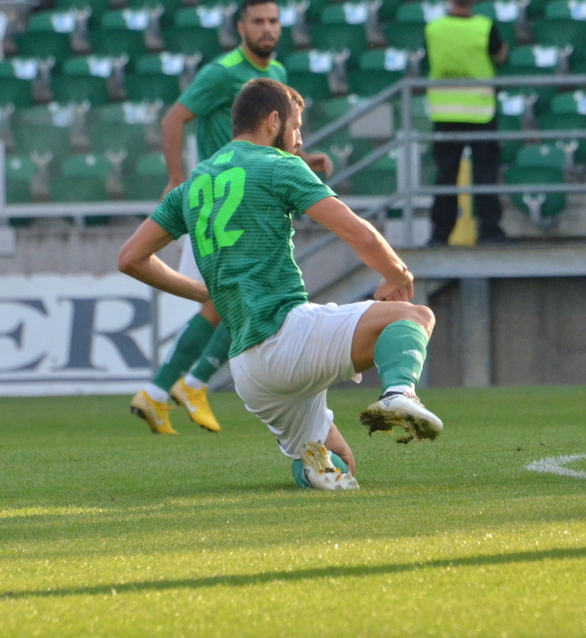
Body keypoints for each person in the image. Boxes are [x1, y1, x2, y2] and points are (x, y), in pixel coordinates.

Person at [118, 79, 444, 490]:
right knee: (414, 316)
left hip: (249, 371)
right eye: (297, 125)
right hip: (286, 333)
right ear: (274, 120)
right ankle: (398, 394)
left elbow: (130, 259)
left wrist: (204, 292)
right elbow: (358, 233)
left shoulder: (191, 186)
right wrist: (398, 274)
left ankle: (314, 469)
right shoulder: (276, 164)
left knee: (332, 459)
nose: (300, 138)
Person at [130, 0, 332, 436]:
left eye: (274, 20)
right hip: (221, 202)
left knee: (224, 303)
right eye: (258, 21)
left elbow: (275, 135)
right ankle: (180, 385)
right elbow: (172, 120)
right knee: (224, 301)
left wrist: (304, 158)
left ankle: (164, 390)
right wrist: (176, 180)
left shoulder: (275, 74)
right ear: (241, 27)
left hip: (252, 202)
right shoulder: (221, 74)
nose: (268, 29)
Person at [425, 0, 509, 246]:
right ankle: (489, 231)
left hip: (444, 112)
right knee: (485, 173)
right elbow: (500, 55)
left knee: (446, 175)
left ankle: (440, 234)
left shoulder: (433, 29)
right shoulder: (484, 28)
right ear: (474, 1)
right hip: (480, 111)